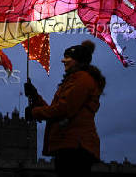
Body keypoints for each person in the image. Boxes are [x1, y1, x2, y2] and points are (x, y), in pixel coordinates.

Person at [25, 40, 106, 177]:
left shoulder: (83, 79)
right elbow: (56, 110)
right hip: (68, 144)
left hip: (76, 146)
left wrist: (34, 113)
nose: (63, 61)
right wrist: (35, 97)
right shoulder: (72, 80)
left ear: (78, 61)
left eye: (68, 57)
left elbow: (64, 109)